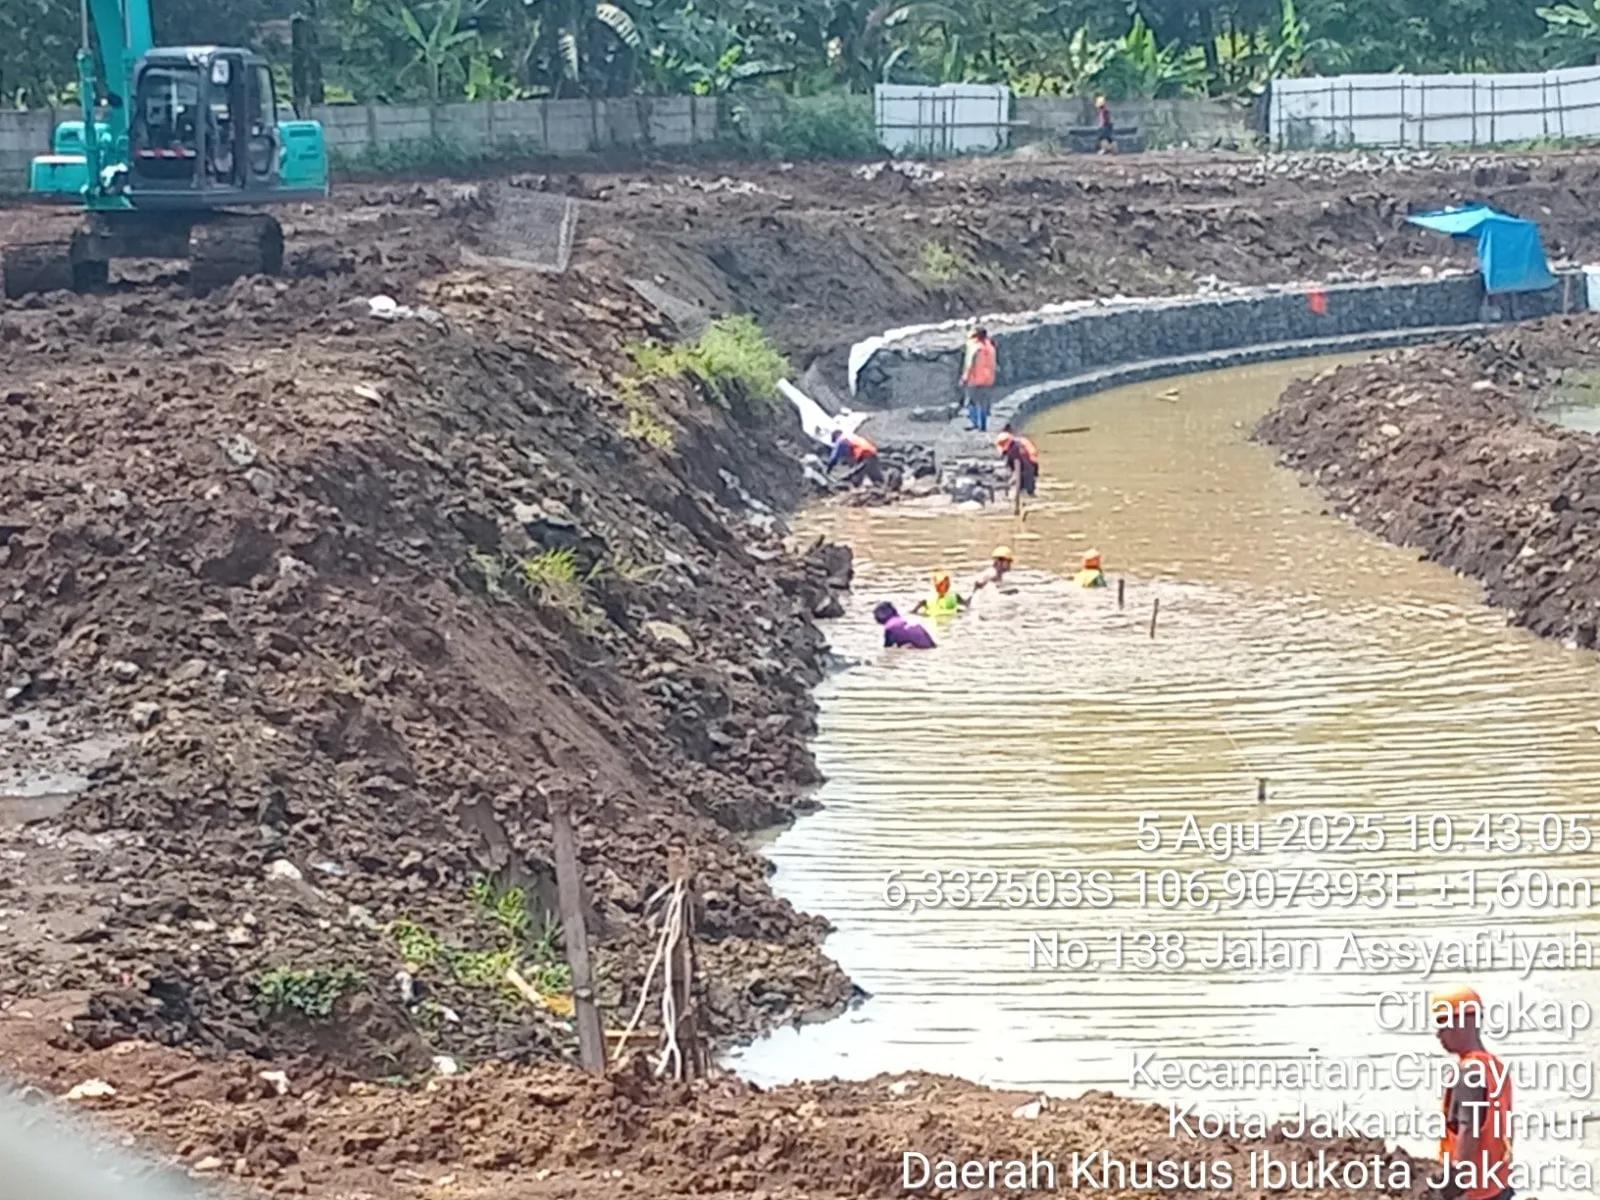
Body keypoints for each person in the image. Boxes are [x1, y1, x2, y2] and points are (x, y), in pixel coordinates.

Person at [1432, 985, 1514, 1200]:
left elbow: (1468, 1129)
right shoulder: (1495, 1067)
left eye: (1443, 1023)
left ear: (1463, 1023)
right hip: (1498, 1184)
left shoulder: (1468, 1072)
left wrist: (1457, 1178)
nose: (1438, 1033)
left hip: (1474, 1191)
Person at [961, 328, 998, 432]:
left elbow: (970, 364)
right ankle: (983, 425)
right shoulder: (991, 347)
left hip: (974, 379)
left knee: (971, 402)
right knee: (983, 403)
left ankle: (975, 423)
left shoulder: (976, 348)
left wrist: (965, 377)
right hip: (988, 379)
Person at [996, 425, 1039, 504]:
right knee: (1026, 490)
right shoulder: (1019, 443)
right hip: (1028, 467)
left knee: (1024, 489)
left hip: (1025, 468)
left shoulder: (1015, 447)